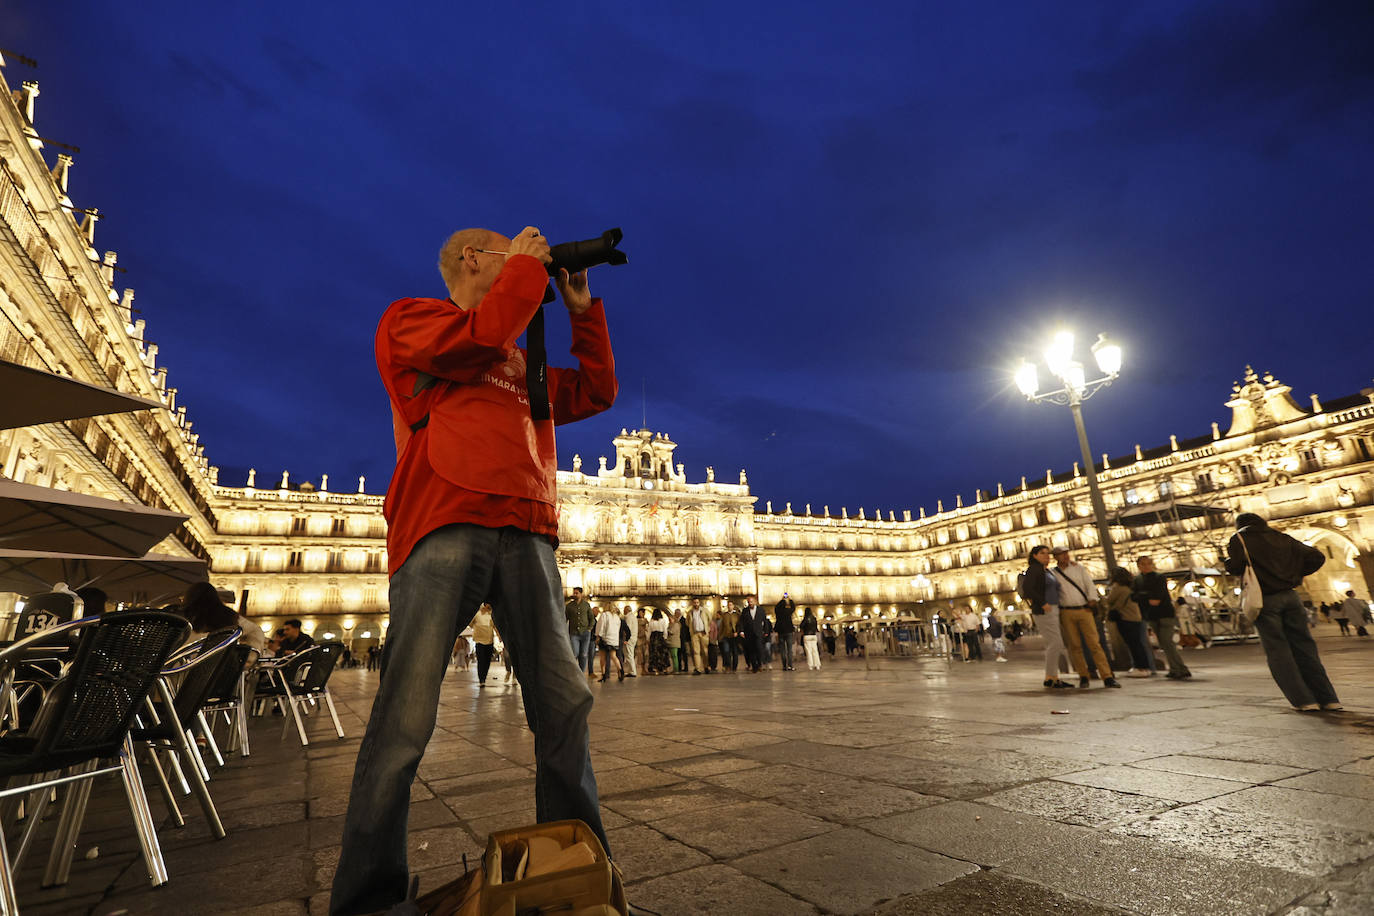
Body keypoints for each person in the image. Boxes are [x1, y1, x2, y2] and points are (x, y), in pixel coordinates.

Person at [330, 225, 618, 915]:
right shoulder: (412, 321)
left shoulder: (520, 360)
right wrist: (526, 271)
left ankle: (579, 870)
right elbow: (479, 336)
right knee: (405, 717)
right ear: (471, 259)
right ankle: (368, 900)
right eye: (508, 252)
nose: (526, 262)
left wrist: (581, 313)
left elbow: (599, 393)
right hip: (445, 520)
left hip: (527, 527)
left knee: (564, 707)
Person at [1225, 513, 1340, 711]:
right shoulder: (1281, 537)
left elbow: (1235, 567)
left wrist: (1228, 562)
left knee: (1278, 650)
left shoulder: (1240, 539)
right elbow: (1317, 556)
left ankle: (1304, 700)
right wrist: (1294, 574)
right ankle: (1329, 699)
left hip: (1265, 599)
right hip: (1291, 596)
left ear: (1240, 525)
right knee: (1305, 647)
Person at [1052, 547, 1120, 688]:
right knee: (1074, 645)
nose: (1065, 556)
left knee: (1094, 643)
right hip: (1066, 612)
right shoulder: (1053, 573)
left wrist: (1092, 599)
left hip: (1084, 609)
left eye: (1066, 553)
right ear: (1056, 557)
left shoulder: (1079, 569)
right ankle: (1083, 676)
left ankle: (1107, 676)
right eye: (1061, 554)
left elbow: (1089, 584)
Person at [1132, 557, 1191, 680]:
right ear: (1138, 566)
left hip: (1165, 614)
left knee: (1167, 642)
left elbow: (1155, 600)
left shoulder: (1159, 577)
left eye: (1148, 563)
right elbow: (1134, 597)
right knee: (1164, 644)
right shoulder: (1137, 580)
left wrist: (1142, 596)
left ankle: (1179, 669)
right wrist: (1146, 596)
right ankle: (1178, 668)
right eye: (1143, 564)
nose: (1146, 566)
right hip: (1151, 615)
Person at [1023, 546, 1072, 689]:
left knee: (1055, 643)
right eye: (1042, 553)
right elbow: (1028, 589)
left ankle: (1053, 676)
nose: (1047, 556)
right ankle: (1050, 677)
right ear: (1034, 556)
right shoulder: (1034, 569)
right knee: (1055, 643)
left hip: (1053, 608)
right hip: (1045, 610)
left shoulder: (1046, 570)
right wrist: (1042, 603)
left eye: (1047, 553)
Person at [1104, 567, 1152, 676]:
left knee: (1133, 644)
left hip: (1125, 618)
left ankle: (1140, 667)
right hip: (1135, 617)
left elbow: (1109, 601)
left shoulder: (1118, 587)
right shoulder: (1130, 586)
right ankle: (1144, 667)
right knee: (1138, 643)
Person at [566, 587, 595, 676]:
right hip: (574, 633)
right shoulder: (569, 606)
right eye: (574, 593)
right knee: (575, 653)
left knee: (583, 654)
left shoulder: (586, 605)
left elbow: (591, 618)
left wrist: (589, 628)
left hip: (585, 633)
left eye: (576, 593)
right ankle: (574, 672)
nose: (574, 595)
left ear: (581, 594)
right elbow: (565, 618)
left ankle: (581, 673)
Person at [593, 605, 624, 682]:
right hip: (614, 640)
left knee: (602, 657)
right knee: (613, 656)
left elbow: (601, 626)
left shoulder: (604, 615)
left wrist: (598, 636)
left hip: (605, 639)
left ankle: (603, 675)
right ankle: (620, 670)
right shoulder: (617, 617)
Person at [471, 602, 496, 686]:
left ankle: (484, 677)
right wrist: (477, 628)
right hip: (479, 640)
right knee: (481, 660)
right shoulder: (477, 614)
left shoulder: (491, 614)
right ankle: (481, 679)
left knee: (487, 661)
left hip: (490, 640)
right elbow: (470, 624)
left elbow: (494, 626)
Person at [738, 595, 764, 673]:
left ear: (755, 602)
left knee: (759, 649)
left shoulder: (760, 610)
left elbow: (764, 620)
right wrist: (742, 631)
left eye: (751, 602)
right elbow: (741, 622)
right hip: (749, 633)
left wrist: (765, 631)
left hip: (758, 633)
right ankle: (754, 667)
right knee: (751, 651)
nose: (750, 603)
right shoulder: (745, 611)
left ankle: (759, 664)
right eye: (749, 602)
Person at [774, 595, 797, 671]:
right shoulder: (788, 611)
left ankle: (784, 666)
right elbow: (793, 608)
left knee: (782, 649)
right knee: (789, 649)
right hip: (789, 631)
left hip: (781, 632)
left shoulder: (778, 611)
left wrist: (782, 600)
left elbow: (776, 607)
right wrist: (790, 600)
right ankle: (790, 665)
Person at [687, 598, 710, 675]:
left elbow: (709, 619)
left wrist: (707, 629)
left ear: (699, 603)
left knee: (705, 651)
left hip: (703, 633)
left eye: (697, 602)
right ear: (692, 603)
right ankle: (697, 668)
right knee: (696, 651)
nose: (696, 604)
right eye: (694, 602)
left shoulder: (704, 611)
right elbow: (688, 622)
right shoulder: (690, 612)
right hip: (694, 634)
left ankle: (706, 666)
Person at [647, 608, 670, 675]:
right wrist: (665, 637)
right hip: (660, 637)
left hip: (653, 637)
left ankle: (655, 668)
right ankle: (665, 668)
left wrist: (648, 639)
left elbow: (649, 631)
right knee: (663, 653)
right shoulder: (663, 621)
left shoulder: (651, 621)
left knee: (654, 653)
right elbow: (665, 630)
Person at [718, 600, 738, 671]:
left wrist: (737, 632)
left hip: (734, 636)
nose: (729, 606)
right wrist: (720, 636)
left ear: (733, 606)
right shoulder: (724, 615)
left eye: (731, 605)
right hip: (726, 636)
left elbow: (739, 625)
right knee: (726, 651)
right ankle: (728, 665)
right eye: (728, 605)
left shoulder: (737, 615)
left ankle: (734, 666)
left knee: (735, 652)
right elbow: (722, 626)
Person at [620, 605, 638, 677]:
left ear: (627, 610)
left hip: (629, 639)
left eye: (624, 610)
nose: (623, 611)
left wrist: (625, 639)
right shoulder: (633, 617)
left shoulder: (628, 617)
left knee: (629, 655)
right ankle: (631, 670)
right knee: (630, 654)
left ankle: (633, 671)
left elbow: (627, 629)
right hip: (633, 638)